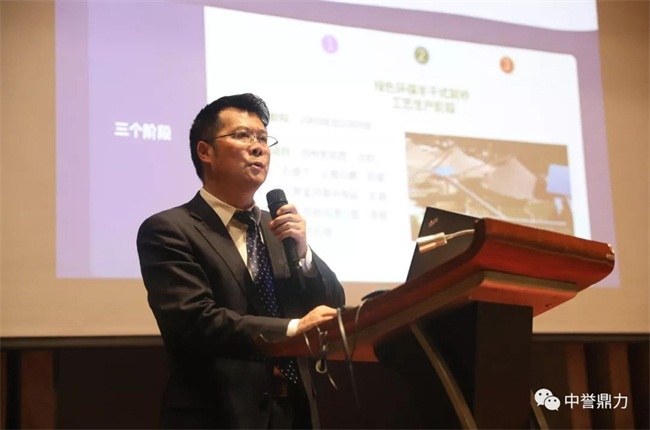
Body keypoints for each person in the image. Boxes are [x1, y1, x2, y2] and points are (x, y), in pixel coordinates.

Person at [136, 93, 345, 429]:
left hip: (295, 411)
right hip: (217, 415)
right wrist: (293, 329)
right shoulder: (170, 229)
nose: (258, 147)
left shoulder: (278, 228)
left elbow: (331, 305)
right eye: (243, 136)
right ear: (205, 152)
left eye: (263, 138)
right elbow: (195, 322)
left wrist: (304, 253)